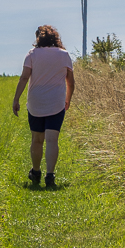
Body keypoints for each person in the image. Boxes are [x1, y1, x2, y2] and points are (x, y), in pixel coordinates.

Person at [12, 24, 74, 189]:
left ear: (38, 38)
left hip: (36, 103)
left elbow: (24, 78)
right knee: (52, 140)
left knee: (37, 139)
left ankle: (36, 171)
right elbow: (70, 81)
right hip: (56, 102)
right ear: (55, 37)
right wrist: (67, 99)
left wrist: (16, 99)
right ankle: (50, 176)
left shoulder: (32, 54)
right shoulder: (64, 55)